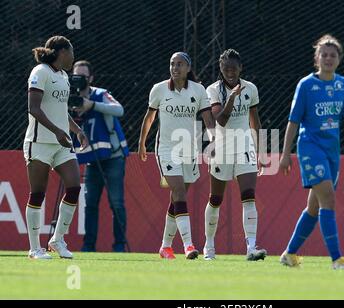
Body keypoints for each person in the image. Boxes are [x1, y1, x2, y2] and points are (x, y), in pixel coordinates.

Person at [279, 35, 344, 269]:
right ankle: (336, 259)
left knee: (314, 207)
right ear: (317, 58)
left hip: (332, 152)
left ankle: (289, 254)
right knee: (328, 201)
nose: (328, 58)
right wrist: (285, 154)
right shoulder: (306, 85)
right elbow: (293, 121)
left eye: (333, 55)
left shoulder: (343, 84)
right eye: (324, 54)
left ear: (339, 59)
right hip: (310, 148)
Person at [138, 52, 215, 259]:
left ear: (188, 68)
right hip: (166, 150)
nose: (175, 68)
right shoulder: (159, 89)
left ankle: (165, 246)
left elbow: (208, 119)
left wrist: (214, 140)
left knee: (177, 199)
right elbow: (150, 116)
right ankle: (189, 246)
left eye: (180, 64)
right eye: (172, 64)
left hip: (189, 150)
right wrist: (142, 142)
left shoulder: (198, 90)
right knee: (179, 192)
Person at [24, 36, 88, 259]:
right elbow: (34, 108)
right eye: (71, 51)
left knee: (73, 187)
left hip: (61, 144)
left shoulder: (63, 76)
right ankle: (34, 249)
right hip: (39, 142)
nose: (73, 56)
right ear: (62, 51)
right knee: (38, 194)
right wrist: (57, 132)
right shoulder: (40, 72)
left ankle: (57, 239)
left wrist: (76, 131)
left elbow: (61, 111)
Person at [203, 49, 267, 261]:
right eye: (225, 68)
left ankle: (250, 247)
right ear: (220, 69)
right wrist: (231, 98)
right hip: (221, 148)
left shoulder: (251, 89)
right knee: (216, 199)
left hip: (245, 148)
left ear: (241, 68)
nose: (230, 71)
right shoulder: (212, 90)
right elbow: (220, 120)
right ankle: (209, 247)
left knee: (248, 197)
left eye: (233, 68)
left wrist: (261, 152)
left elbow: (255, 122)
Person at [71, 60, 130, 253]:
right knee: (90, 204)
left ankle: (119, 247)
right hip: (91, 159)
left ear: (91, 78)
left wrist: (92, 105)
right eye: (75, 76)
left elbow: (119, 110)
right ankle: (88, 247)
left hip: (113, 157)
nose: (79, 80)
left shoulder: (100, 94)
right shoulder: (70, 97)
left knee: (117, 202)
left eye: (83, 77)